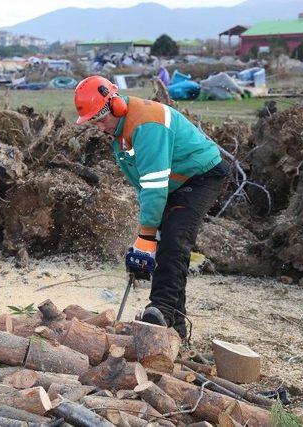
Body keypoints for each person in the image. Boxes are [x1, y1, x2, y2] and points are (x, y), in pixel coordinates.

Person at [74, 76, 228, 338]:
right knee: (164, 239)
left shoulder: (146, 123)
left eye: (100, 120)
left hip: (202, 175)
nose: (99, 127)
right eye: (94, 123)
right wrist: (147, 234)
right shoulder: (120, 133)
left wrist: (146, 236)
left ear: (116, 106)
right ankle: (176, 328)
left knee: (174, 240)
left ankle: (161, 310)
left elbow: (155, 185)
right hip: (174, 182)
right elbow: (144, 185)